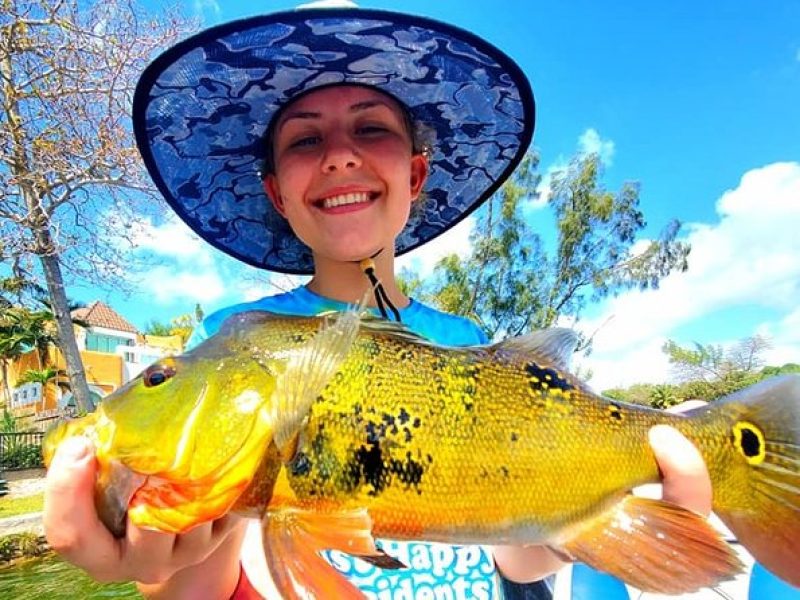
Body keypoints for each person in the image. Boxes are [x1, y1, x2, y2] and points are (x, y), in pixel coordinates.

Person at [43, 6, 713, 599]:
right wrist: (166, 552)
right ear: (278, 193)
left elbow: (518, 555)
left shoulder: (464, 337)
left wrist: (580, 531)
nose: (338, 156)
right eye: (306, 140)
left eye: (372, 130)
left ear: (415, 174)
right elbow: (200, 588)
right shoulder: (229, 335)